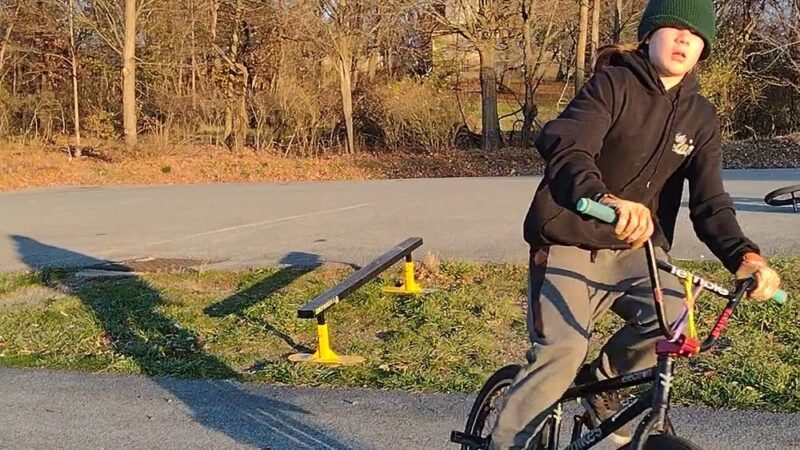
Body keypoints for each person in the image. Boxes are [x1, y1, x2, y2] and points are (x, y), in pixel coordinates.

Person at [488, 0, 782, 448]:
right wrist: (603, 198)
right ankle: (506, 443)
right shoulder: (612, 84)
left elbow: (711, 204)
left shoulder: (700, 118)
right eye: (674, 27)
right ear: (650, 34)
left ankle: (601, 387)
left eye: (697, 35)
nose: (685, 39)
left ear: (704, 49)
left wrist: (746, 256)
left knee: (677, 321)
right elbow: (566, 145)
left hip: (636, 252)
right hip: (569, 239)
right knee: (562, 352)